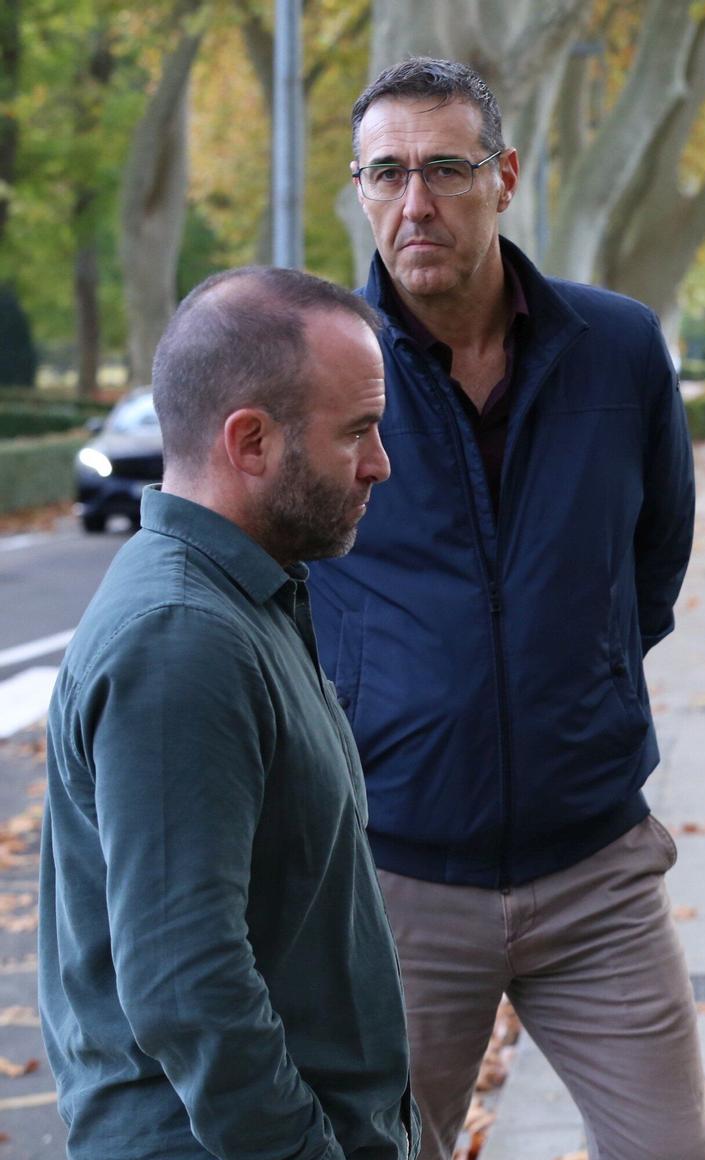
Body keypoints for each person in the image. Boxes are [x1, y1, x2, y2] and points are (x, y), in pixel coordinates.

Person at [317, 57, 705, 1159]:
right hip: (395, 881)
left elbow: (656, 554)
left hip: (595, 868)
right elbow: (280, 586)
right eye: (386, 173)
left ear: (505, 176)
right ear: (360, 189)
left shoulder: (619, 348)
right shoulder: (323, 367)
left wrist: (582, 671)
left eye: (445, 168)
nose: (415, 202)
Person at [38, 267, 414, 1157]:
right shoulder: (182, 639)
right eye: (357, 431)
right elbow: (185, 983)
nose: (380, 463)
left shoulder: (244, 598)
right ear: (249, 440)